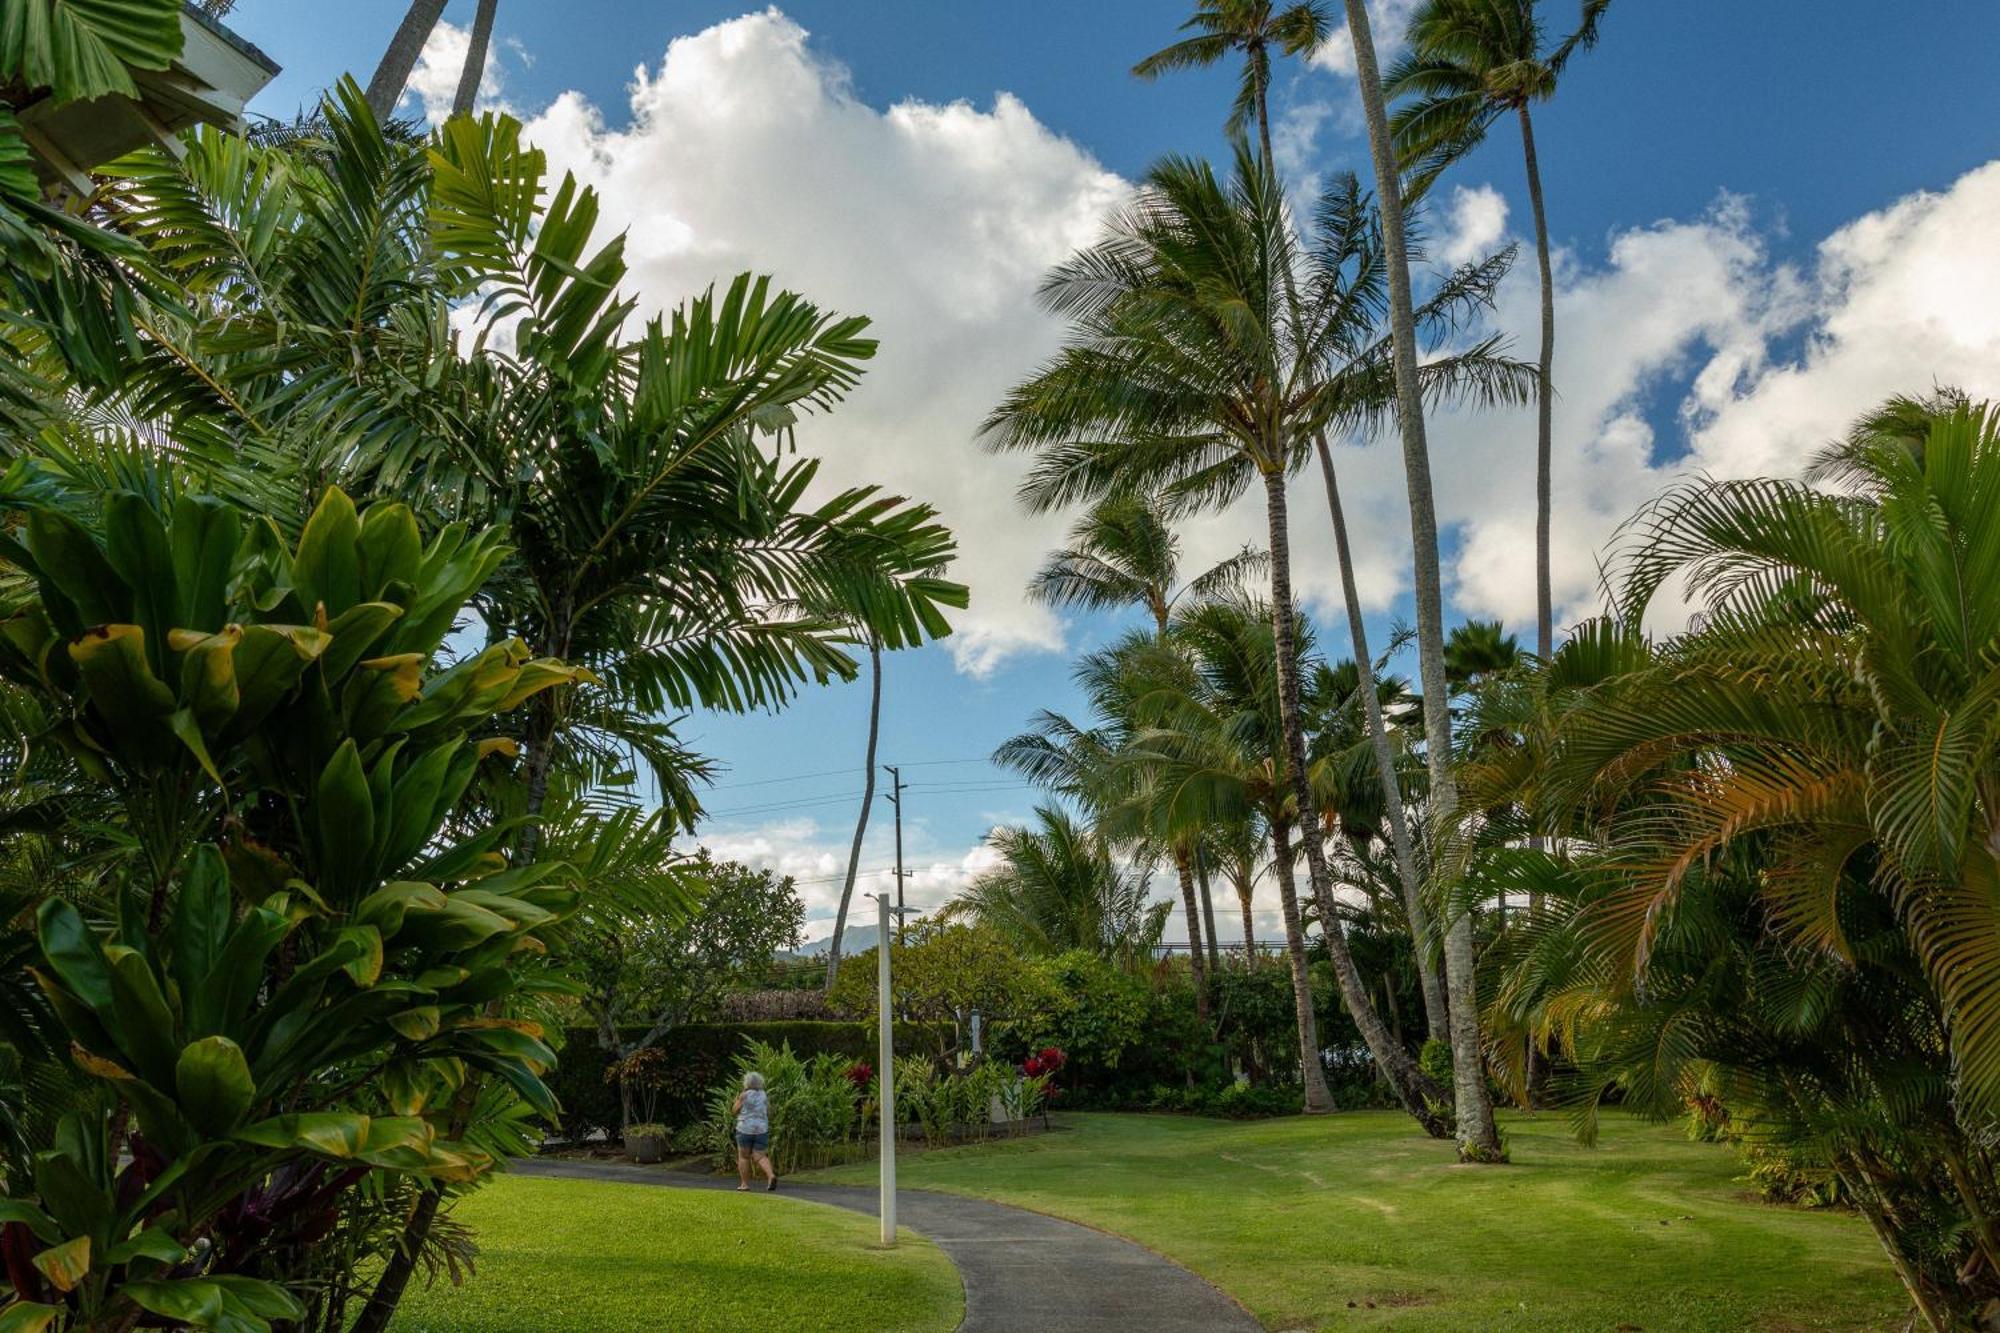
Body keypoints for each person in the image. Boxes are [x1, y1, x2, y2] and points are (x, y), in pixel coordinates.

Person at [732, 1071, 776, 1191]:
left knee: (744, 1157)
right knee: (760, 1156)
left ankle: (744, 1184)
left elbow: (734, 1111)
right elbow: (770, 1112)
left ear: (746, 1083)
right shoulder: (764, 1095)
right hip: (761, 1129)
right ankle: (771, 1175)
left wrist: (736, 1100)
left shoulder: (744, 1095)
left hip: (745, 1129)